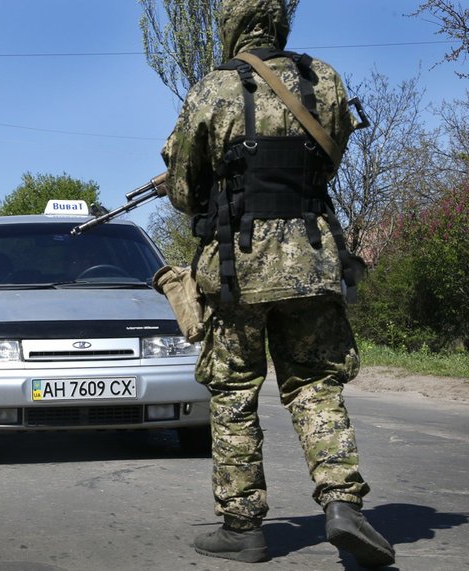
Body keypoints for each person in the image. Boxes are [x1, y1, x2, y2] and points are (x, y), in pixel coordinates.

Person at [160, 0, 395, 566]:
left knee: (235, 393)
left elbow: (186, 190)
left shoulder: (213, 89)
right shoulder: (325, 80)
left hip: (238, 270)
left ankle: (243, 526)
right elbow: (328, 160)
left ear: (232, 25)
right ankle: (343, 505)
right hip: (313, 262)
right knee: (316, 384)